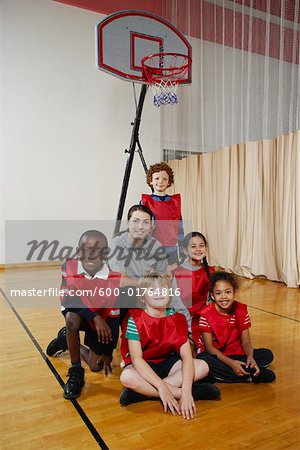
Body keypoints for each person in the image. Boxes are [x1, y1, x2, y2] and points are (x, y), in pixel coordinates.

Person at [119, 272, 221, 418]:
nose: (159, 293)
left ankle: (143, 393)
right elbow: (137, 359)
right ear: (142, 297)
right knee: (127, 377)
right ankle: (190, 392)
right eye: (152, 290)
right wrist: (171, 390)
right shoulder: (135, 320)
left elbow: (186, 356)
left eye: (163, 289)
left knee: (203, 366)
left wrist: (185, 393)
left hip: (168, 363)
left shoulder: (177, 319)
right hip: (145, 365)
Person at [46, 230, 121, 399]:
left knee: (96, 366)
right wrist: (94, 317)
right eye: (87, 249)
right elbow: (69, 299)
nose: (92, 254)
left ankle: (66, 340)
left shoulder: (113, 277)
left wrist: (108, 353)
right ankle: (76, 370)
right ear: (79, 251)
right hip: (81, 315)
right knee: (71, 319)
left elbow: (114, 319)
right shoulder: (69, 266)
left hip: (102, 321)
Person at [109, 204, 189, 325]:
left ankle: (180, 327)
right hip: (124, 294)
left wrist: (156, 286)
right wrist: (146, 284)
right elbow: (121, 281)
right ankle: (131, 331)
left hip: (148, 292)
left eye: (146, 222)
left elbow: (162, 278)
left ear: (151, 226)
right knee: (129, 292)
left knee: (169, 290)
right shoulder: (117, 244)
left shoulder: (156, 246)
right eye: (135, 221)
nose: (140, 227)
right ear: (128, 223)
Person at [193, 271, 276, 384]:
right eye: (218, 293)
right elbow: (209, 347)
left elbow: (246, 341)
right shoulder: (205, 314)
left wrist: (250, 357)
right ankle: (248, 376)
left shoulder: (241, 310)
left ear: (234, 293)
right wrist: (231, 363)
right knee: (203, 358)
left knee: (267, 355)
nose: (223, 297)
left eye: (227, 292)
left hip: (236, 352)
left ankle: (229, 373)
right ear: (212, 295)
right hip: (218, 356)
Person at [140, 162, 184, 267]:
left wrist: (182, 251)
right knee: (151, 279)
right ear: (151, 181)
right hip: (150, 249)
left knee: (169, 278)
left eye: (164, 179)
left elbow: (180, 228)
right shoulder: (145, 202)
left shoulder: (175, 202)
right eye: (157, 178)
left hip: (171, 250)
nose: (161, 181)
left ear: (169, 182)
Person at [172, 232, 215, 323]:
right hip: (184, 318)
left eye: (201, 246)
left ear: (206, 248)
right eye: (193, 246)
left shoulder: (210, 271)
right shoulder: (178, 273)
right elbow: (177, 304)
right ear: (185, 251)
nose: (198, 249)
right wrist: (190, 325)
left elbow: (210, 299)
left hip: (204, 317)